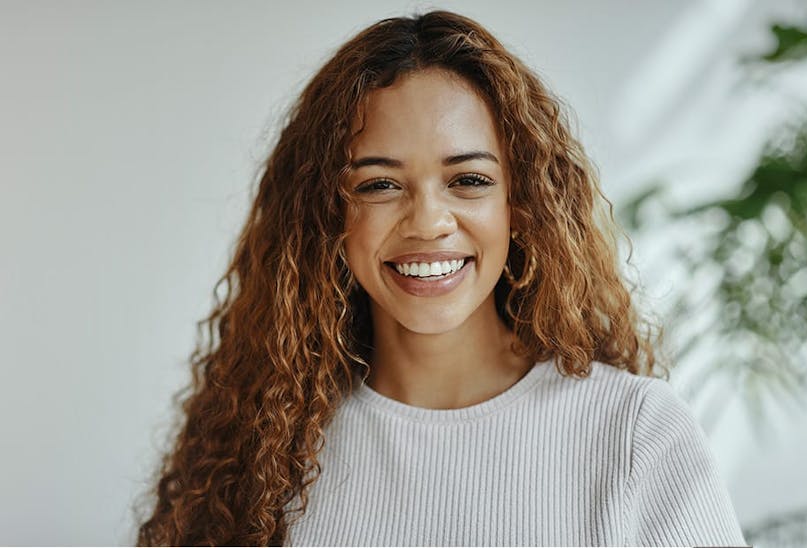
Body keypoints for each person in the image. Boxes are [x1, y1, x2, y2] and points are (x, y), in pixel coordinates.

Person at [135, 10, 746, 547]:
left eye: (469, 180)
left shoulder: (633, 433)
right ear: (327, 214)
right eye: (379, 184)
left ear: (522, 202)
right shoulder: (263, 447)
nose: (428, 222)